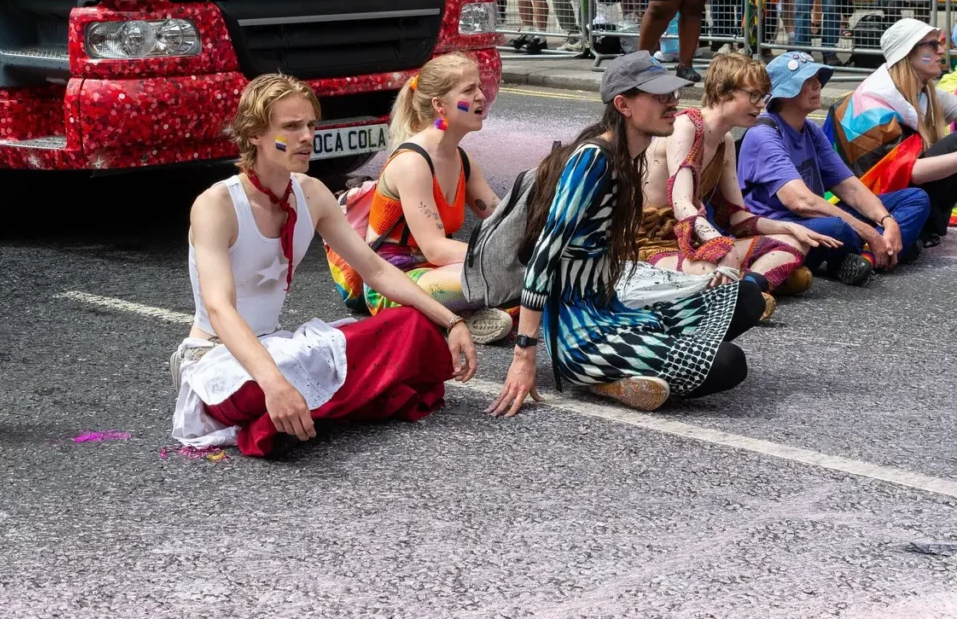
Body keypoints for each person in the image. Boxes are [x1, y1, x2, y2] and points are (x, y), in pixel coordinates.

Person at [171, 73, 477, 457]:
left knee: (411, 323)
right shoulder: (216, 205)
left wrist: (452, 321)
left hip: (281, 350)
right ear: (254, 135)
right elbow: (219, 308)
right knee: (283, 379)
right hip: (220, 362)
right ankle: (295, 403)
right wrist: (275, 384)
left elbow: (376, 270)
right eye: (291, 127)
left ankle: (298, 409)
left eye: (310, 125)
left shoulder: (312, 193)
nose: (306, 137)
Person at [488, 52, 766, 418]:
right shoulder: (592, 160)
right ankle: (604, 378)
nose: (673, 102)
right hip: (583, 334)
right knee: (729, 363)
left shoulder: (627, 156)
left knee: (747, 297)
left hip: (617, 309)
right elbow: (544, 255)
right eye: (659, 96)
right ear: (623, 105)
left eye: (673, 94)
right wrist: (525, 353)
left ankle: (648, 362)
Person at [640, 53, 831, 311]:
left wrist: (788, 228)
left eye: (763, 96)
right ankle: (746, 288)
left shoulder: (726, 139)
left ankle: (746, 288)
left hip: (690, 240)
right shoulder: (686, 125)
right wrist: (721, 246)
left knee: (796, 242)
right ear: (721, 91)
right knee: (710, 267)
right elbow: (681, 203)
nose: (761, 104)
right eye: (753, 95)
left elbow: (735, 216)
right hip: (648, 244)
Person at [738, 53, 930, 287]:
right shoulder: (764, 133)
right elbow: (800, 202)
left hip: (816, 219)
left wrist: (887, 221)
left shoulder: (809, 129)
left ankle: (865, 257)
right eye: (808, 80)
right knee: (837, 226)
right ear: (784, 94)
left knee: (915, 198)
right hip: (782, 228)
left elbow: (849, 187)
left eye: (817, 78)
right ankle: (882, 251)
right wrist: (869, 232)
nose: (817, 84)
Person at [362, 52, 514, 342]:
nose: (482, 96)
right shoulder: (413, 162)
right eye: (469, 90)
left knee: (526, 272)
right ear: (439, 105)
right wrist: (502, 259)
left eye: (480, 87)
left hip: (440, 272)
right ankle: (463, 315)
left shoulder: (462, 159)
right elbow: (434, 250)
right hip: (396, 282)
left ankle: (465, 316)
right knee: (502, 274)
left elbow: (501, 219)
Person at [825, 18, 957, 242]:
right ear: (908, 53)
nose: (942, 50)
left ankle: (926, 228)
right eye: (933, 45)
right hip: (857, 201)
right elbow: (906, 171)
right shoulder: (872, 104)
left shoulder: (921, 89)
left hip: (893, 191)